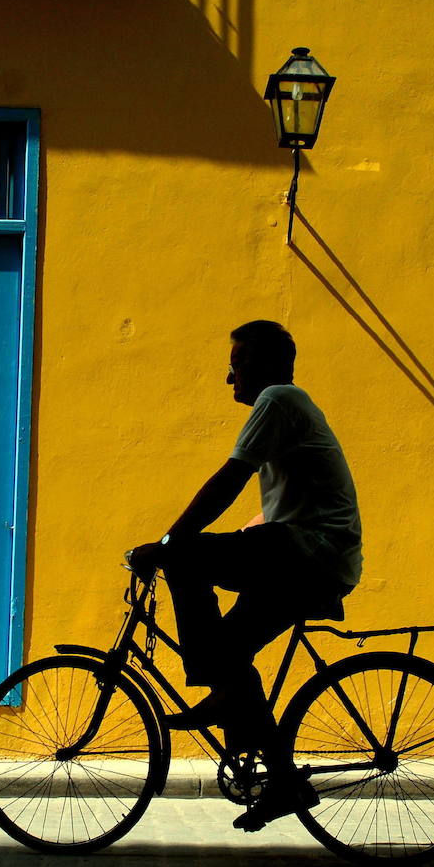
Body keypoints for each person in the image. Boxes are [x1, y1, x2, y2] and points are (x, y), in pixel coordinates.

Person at [128, 319, 362, 832]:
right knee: (230, 658)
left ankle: (217, 688)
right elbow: (284, 508)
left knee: (185, 558)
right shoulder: (291, 409)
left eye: (239, 364)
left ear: (271, 364)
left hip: (307, 556)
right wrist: (232, 540)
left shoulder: (278, 399)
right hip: (311, 558)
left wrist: (167, 544)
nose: (230, 377)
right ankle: (283, 780)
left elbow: (229, 479)